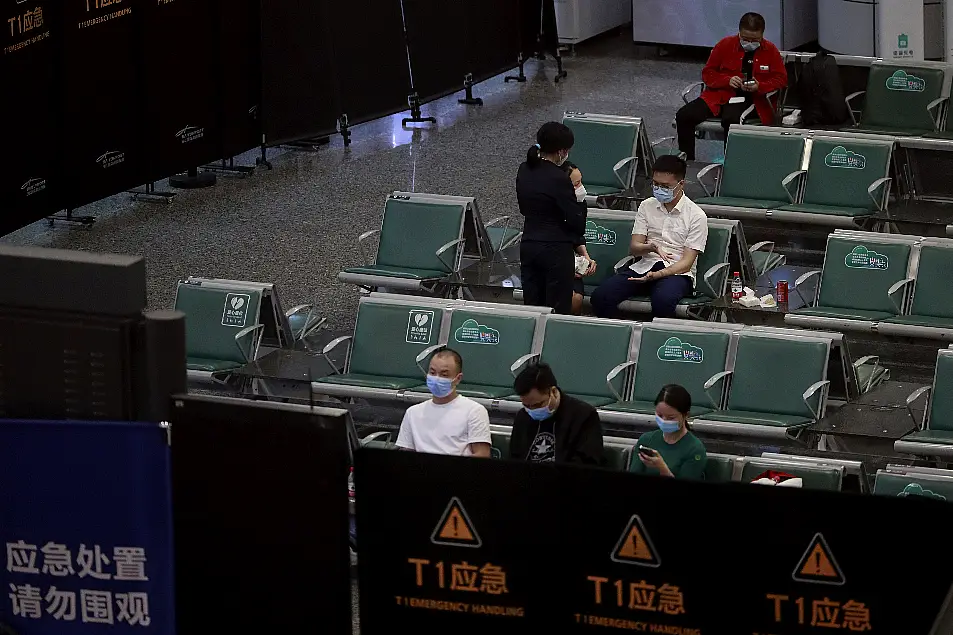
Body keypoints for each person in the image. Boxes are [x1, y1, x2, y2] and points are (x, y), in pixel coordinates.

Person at [589, 155, 707, 319]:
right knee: (600, 297)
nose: (659, 189)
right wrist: (650, 247)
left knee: (663, 300)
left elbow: (686, 264)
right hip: (645, 266)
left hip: (677, 273)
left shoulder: (696, 216)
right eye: (656, 184)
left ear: (681, 184)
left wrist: (657, 275)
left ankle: (655, 341)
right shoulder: (646, 206)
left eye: (665, 186)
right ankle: (623, 337)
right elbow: (635, 247)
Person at [674, 12, 787, 160]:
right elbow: (708, 73)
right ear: (739, 33)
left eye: (755, 40)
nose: (750, 43)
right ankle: (686, 163)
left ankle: (731, 165)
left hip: (751, 99)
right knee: (684, 116)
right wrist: (726, 80)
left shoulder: (770, 50)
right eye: (745, 39)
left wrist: (760, 86)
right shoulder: (724, 45)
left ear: (762, 36)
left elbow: (781, 79)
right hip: (719, 95)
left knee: (731, 121)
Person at [517, 121, 597, 314]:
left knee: (532, 306)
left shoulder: (524, 169)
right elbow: (576, 223)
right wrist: (580, 203)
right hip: (555, 250)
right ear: (562, 151)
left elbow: (523, 207)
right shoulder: (559, 178)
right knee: (556, 308)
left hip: (529, 244)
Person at [395, 349, 491, 457]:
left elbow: (482, 454)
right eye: (432, 372)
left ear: (458, 379)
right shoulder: (412, 412)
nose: (436, 378)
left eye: (444, 375)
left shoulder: (474, 411)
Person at [509, 362, 604, 465]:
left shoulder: (584, 416)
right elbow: (514, 459)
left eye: (538, 405)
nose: (532, 410)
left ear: (553, 392)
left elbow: (587, 463)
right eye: (526, 406)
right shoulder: (523, 416)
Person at [630, 385, 707, 479]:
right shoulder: (646, 440)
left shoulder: (695, 449)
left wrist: (662, 468)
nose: (664, 421)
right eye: (660, 415)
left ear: (686, 415)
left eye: (671, 418)